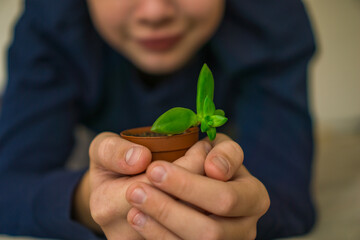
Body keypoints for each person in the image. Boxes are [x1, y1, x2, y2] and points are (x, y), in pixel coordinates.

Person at [0, 0, 316, 239]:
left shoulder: (273, 14)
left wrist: (239, 208)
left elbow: (287, 194)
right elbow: (9, 186)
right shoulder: (51, 17)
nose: (154, 12)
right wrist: (87, 199)